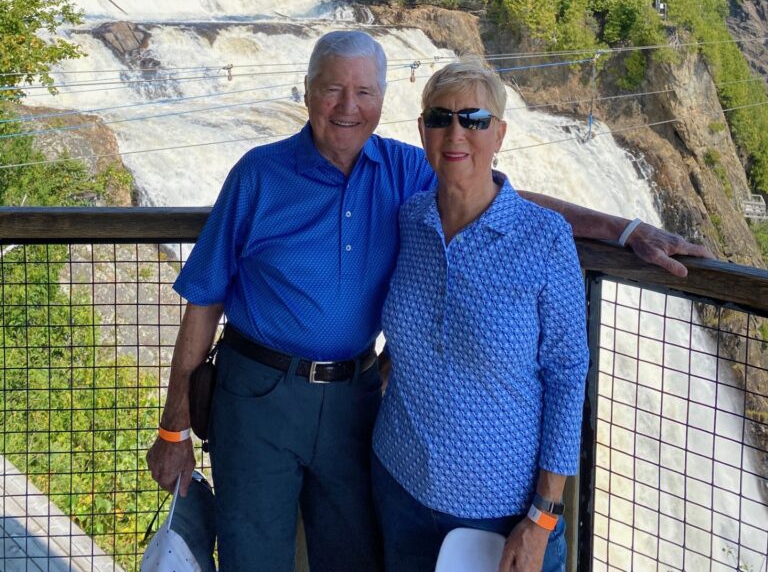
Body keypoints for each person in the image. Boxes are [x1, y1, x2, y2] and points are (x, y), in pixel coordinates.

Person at [146, 31, 710, 572]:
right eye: (332, 89)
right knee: (252, 555)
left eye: (363, 92)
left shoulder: (402, 171)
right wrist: (175, 429)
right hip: (259, 396)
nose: (347, 107)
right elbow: (203, 300)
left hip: (354, 399)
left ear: (382, 102)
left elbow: (485, 186)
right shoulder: (259, 175)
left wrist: (624, 229)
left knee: (351, 558)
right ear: (308, 91)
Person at [372, 58, 588, 572]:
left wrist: (542, 516)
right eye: (441, 118)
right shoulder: (410, 220)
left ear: (500, 134)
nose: (456, 133)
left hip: (502, 511)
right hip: (399, 482)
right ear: (422, 131)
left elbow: (567, 376)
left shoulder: (544, 237)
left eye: (474, 119)